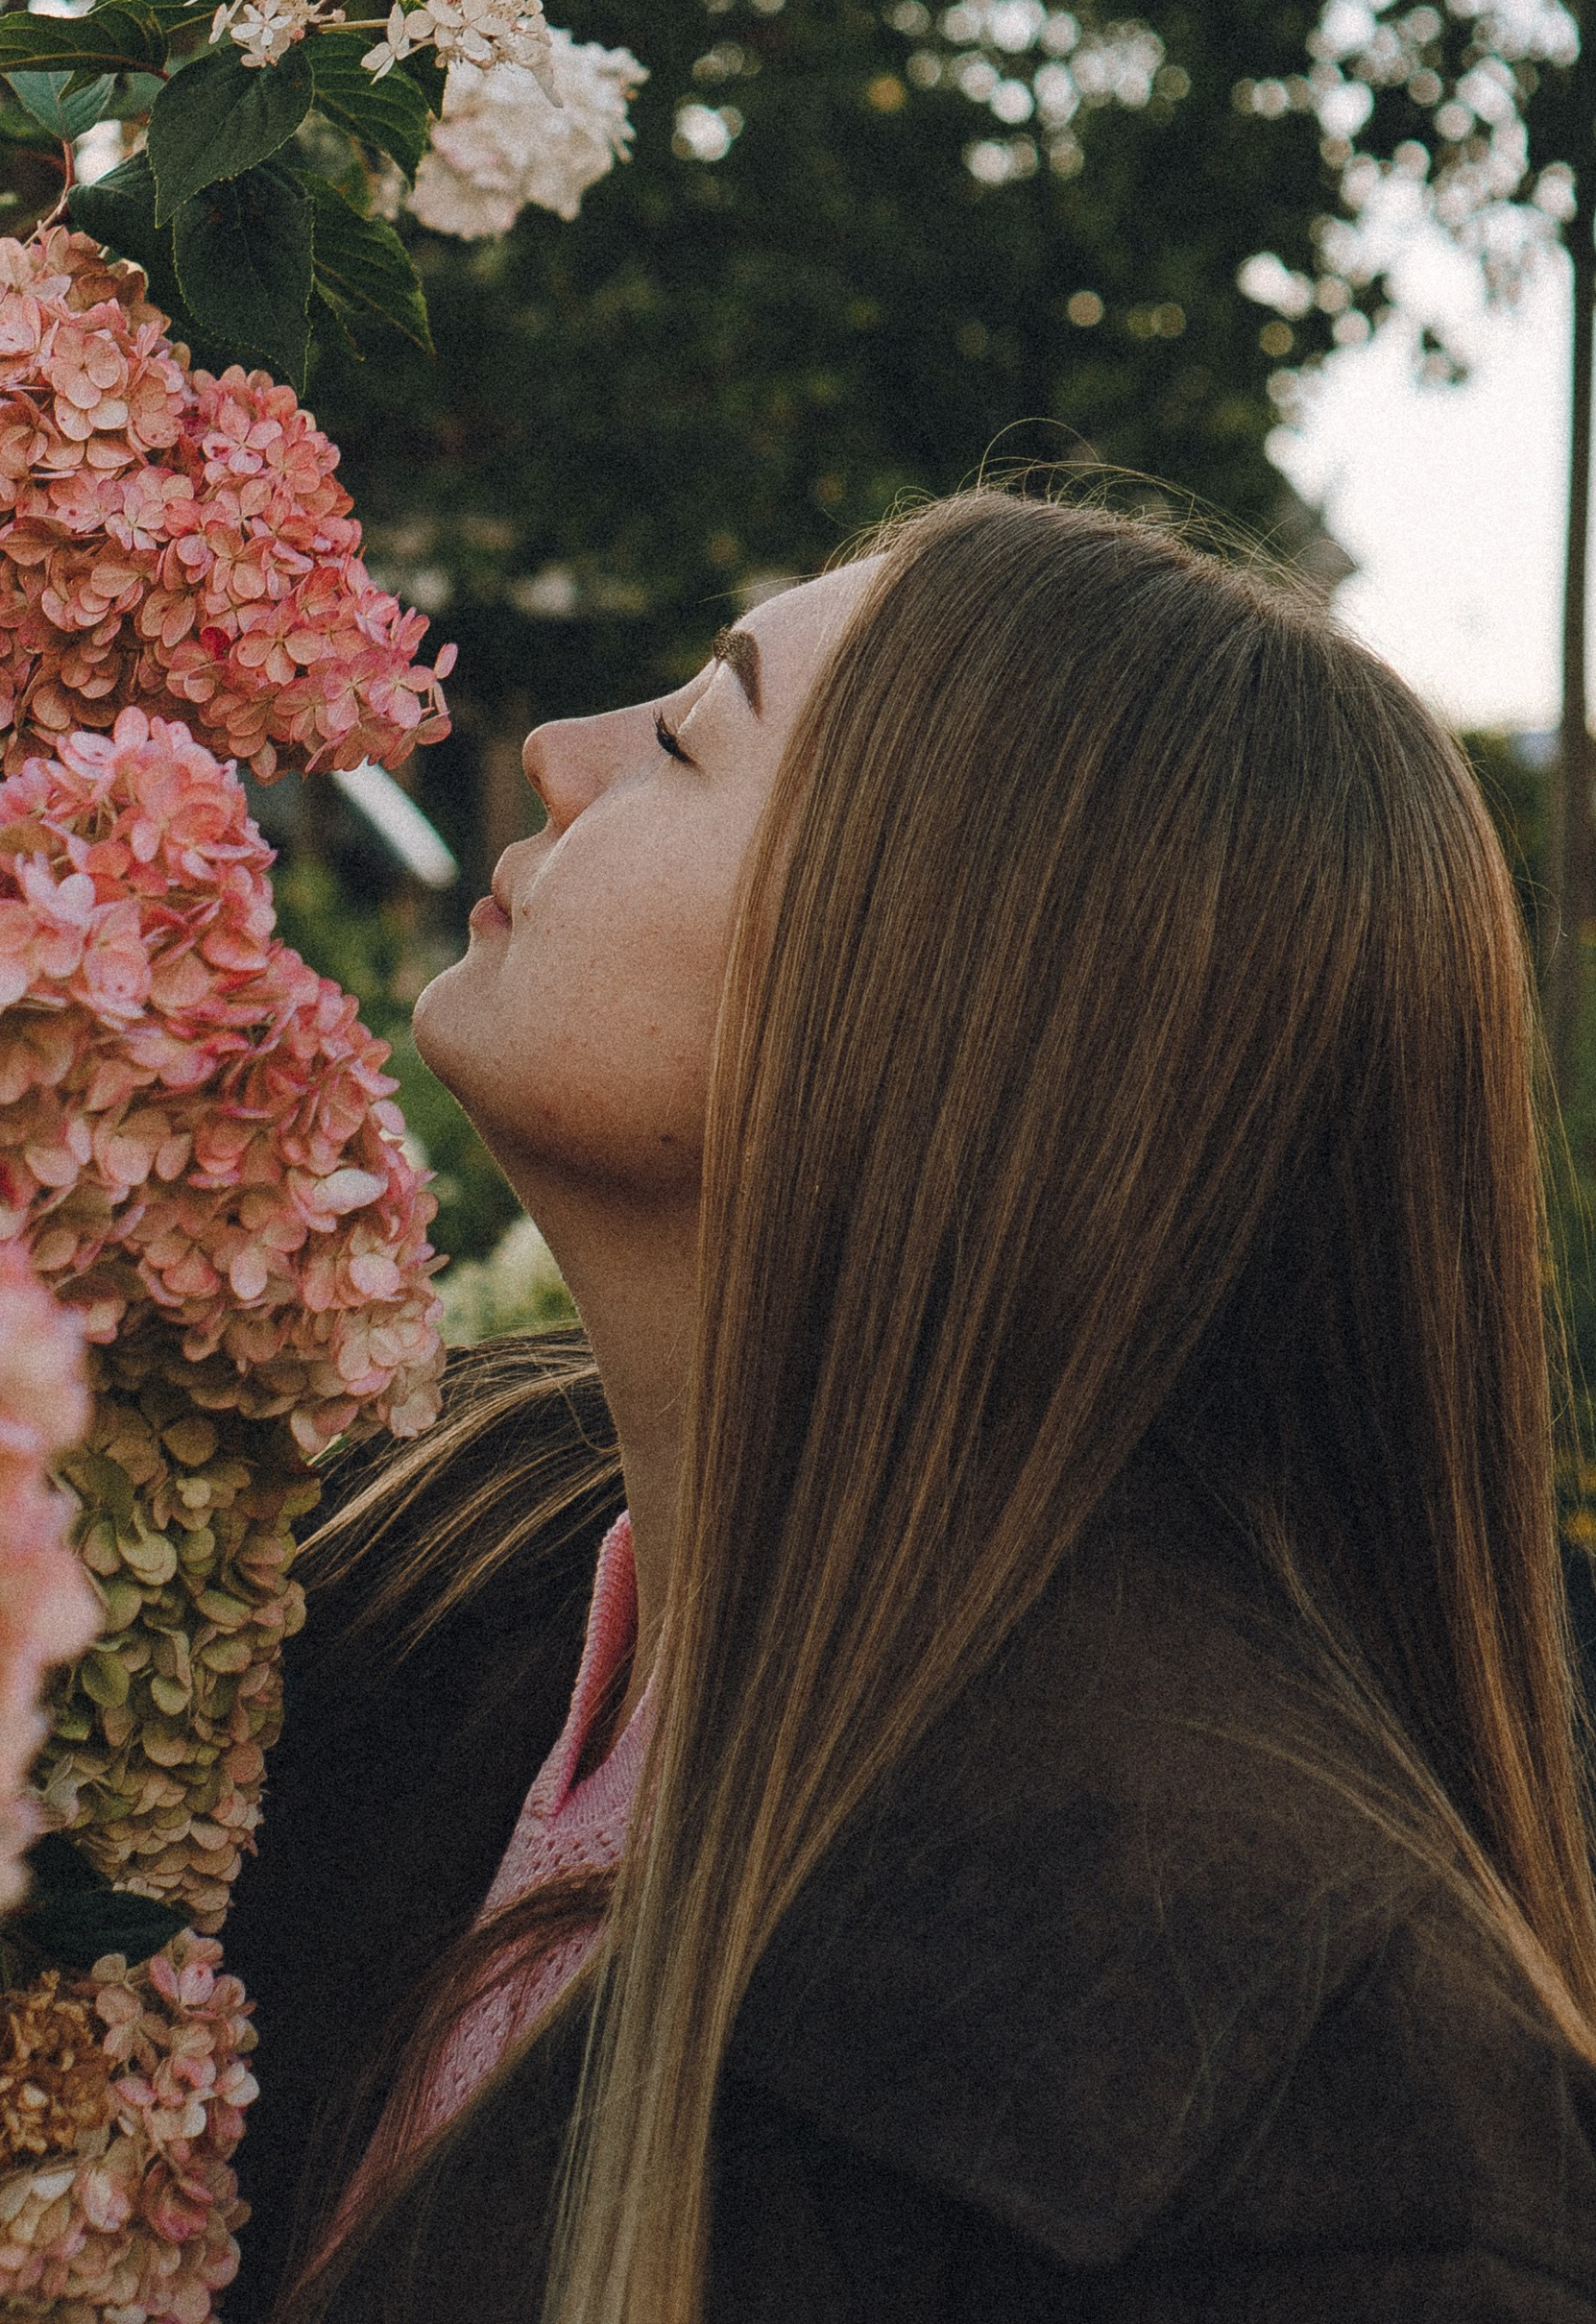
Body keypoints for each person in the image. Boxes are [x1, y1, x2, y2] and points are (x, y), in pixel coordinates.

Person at [218, 490, 1596, 2321]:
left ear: (954, 994)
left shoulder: (1310, 2142)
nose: (552, 754)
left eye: (695, 735)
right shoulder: (416, 1569)